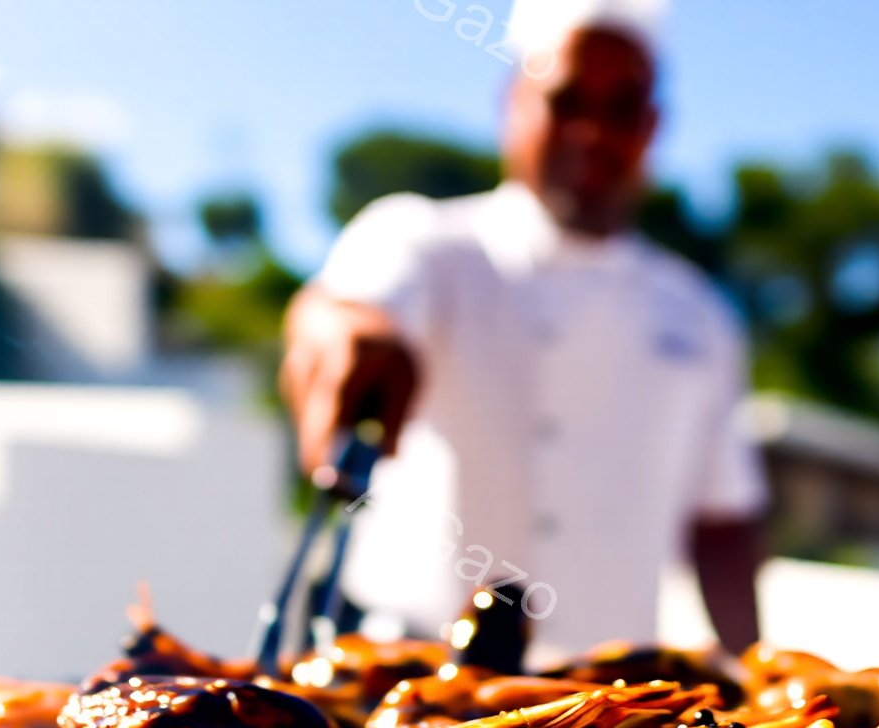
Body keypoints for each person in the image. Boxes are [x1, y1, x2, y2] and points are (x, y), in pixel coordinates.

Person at [280, 0, 766, 660]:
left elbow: (723, 521)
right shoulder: (421, 241)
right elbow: (336, 313)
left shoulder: (702, 317)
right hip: (399, 681)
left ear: (653, 127)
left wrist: (754, 675)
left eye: (621, 109)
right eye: (567, 102)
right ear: (513, 102)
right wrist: (344, 336)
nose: (592, 132)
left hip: (605, 704)